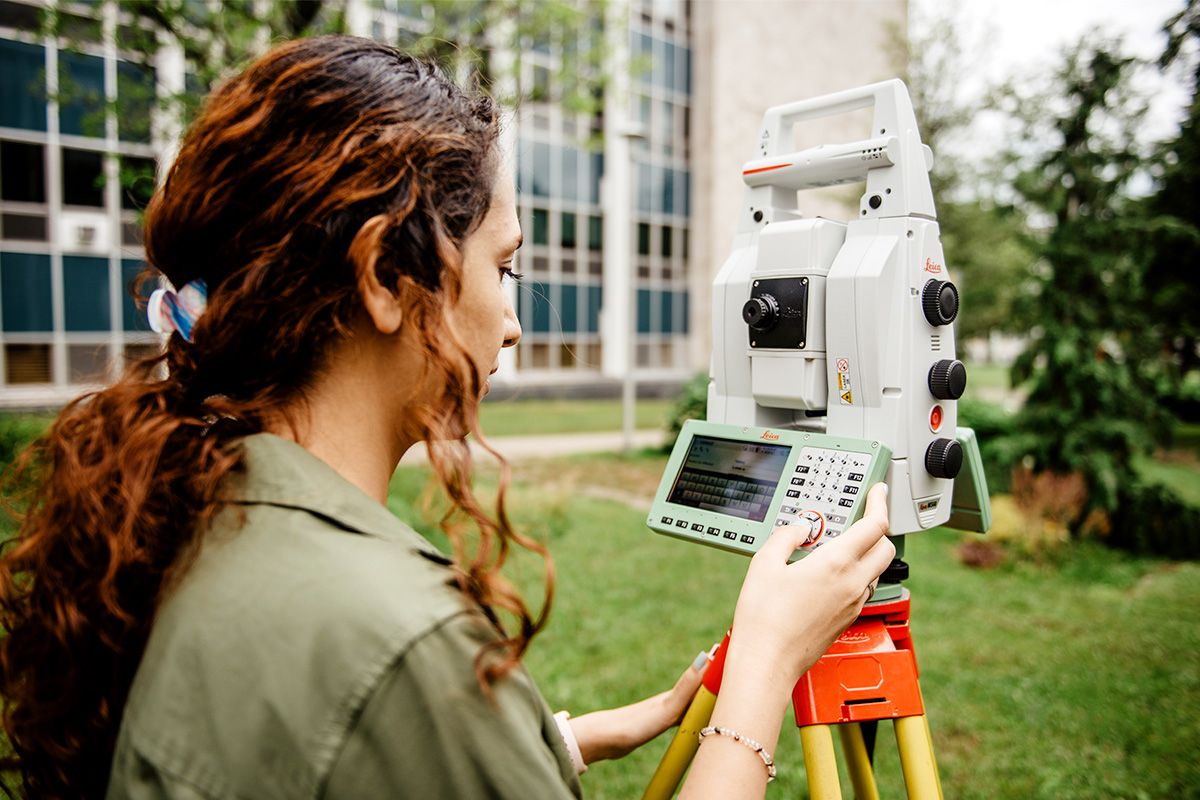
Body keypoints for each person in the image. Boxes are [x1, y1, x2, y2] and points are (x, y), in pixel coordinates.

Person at [0, 36, 894, 800]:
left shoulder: (187, 512)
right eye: (503, 269)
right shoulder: (391, 638)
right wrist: (768, 663)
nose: (510, 321)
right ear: (388, 280)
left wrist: (554, 742)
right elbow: (370, 700)